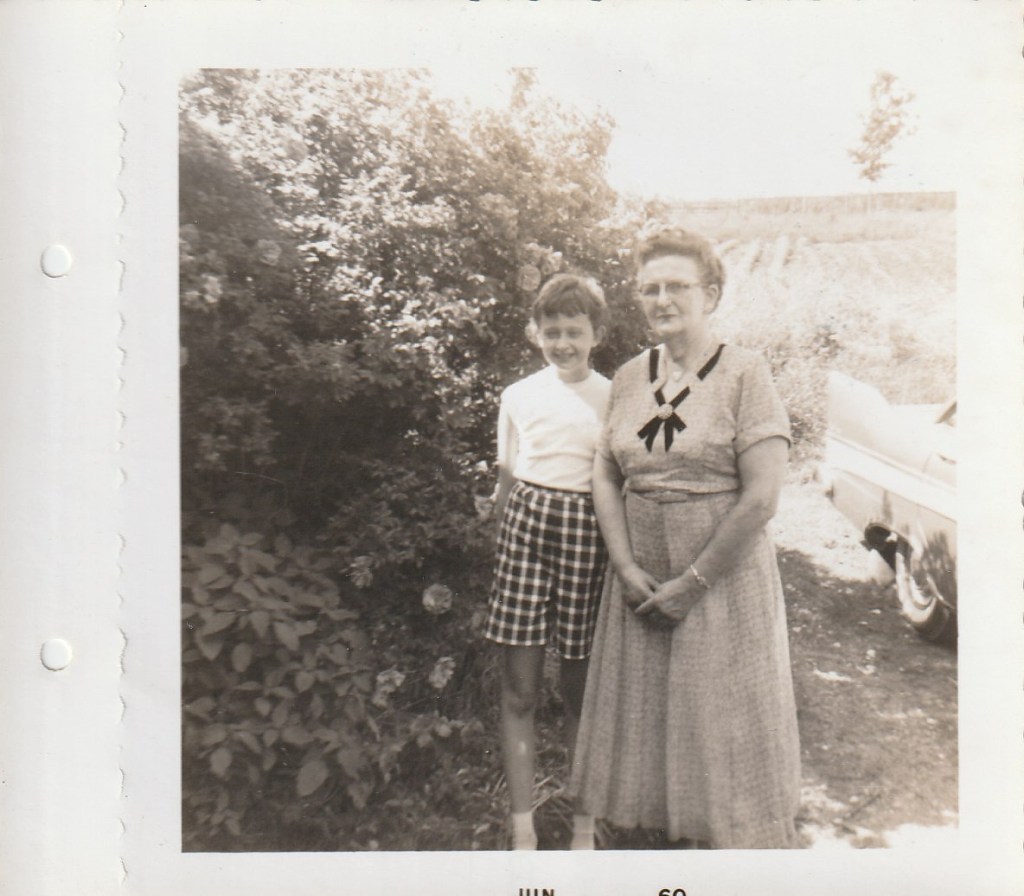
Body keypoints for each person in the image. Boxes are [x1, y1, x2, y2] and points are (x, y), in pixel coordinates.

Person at [569, 226, 802, 849]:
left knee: (721, 722)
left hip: (720, 580)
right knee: (648, 720)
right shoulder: (628, 377)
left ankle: (727, 852)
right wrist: (624, 565)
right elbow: (605, 470)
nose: (661, 299)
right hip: (643, 577)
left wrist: (694, 583)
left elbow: (762, 498)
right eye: (649, 288)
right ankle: (662, 844)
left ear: (711, 295)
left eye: (677, 285)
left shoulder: (745, 374)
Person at [483, 273, 612, 851]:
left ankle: (584, 825)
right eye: (552, 331)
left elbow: (617, 480)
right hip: (525, 534)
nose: (563, 343)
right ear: (535, 332)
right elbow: (507, 477)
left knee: (580, 692)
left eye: (574, 332)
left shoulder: (615, 397)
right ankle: (522, 830)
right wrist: (500, 535)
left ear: (596, 334)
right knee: (520, 690)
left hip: (588, 534)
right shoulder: (517, 395)